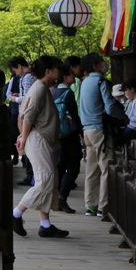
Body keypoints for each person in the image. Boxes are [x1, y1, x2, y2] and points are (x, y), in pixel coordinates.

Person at [12, 55, 69, 238]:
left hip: (42, 139)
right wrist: (24, 137)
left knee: (48, 180)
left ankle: (45, 224)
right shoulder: (39, 89)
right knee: (45, 179)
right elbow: (28, 117)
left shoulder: (43, 88)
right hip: (38, 139)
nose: (60, 71)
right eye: (57, 68)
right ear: (49, 71)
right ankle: (15, 214)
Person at [78, 53, 125, 218]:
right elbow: (110, 107)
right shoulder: (100, 82)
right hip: (100, 130)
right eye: (100, 62)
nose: (104, 64)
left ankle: (90, 205)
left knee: (91, 169)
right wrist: (122, 115)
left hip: (87, 130)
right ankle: (103, 206)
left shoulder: (84, 83)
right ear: (95, 66)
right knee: (106, 168)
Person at [52, 66, 82, 214]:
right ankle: (62, 197)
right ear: (65, 77)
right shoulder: (68, 93)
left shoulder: (53, 92)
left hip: (57, 135)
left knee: (60, 167)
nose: (74, 77)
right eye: (71, 75)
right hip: (70, 135)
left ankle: (56, 198)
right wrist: (81, 132)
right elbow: (75, 116)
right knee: (74, 167)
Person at [5, 58, 27, 166]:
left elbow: (26, 97)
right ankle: (16, 156)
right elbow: (8, 93)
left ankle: (24, 158)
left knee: (22, 134)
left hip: (22, 111)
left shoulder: (26, 78)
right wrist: (12, 96)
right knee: (15, 134)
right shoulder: (13, 80)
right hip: (15, 112)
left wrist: (17, 97)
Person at [116, 79, 136, 145]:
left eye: (126, 90)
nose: (125, 92)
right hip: (130, 127)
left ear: (132, 89)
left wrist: (127, 117)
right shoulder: (134, 100)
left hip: (133, 129)